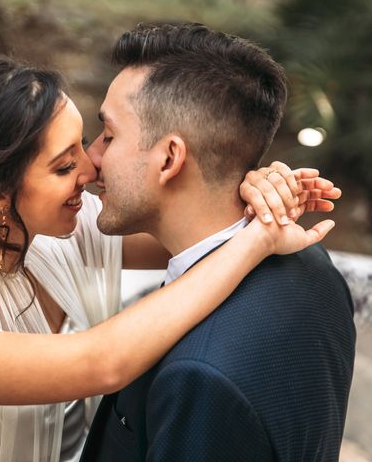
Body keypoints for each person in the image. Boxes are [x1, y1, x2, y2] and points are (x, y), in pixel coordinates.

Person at [0, 54, 339, 461]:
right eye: (63, 164)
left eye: (89, 140)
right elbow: (103, 362)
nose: (91, 167)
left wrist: (256, 190)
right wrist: (258, 238)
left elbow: (192, 222)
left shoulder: (56, 238)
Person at [80, 23, 356, 462]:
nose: (90, 159)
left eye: (109, 136)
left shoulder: (199, 378)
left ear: (170, 158)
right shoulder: (311, 263)